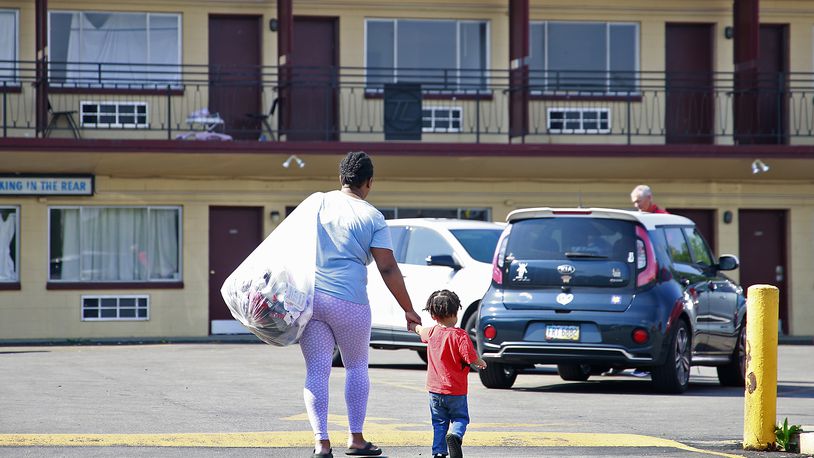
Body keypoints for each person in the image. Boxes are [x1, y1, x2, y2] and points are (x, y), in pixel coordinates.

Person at [300, 151, 423, 458]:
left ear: (341, 178)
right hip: (349, 301)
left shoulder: (316, 203)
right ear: (369, 182)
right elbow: (387, 267)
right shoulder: (372, 217)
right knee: (356, 367)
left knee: (317, 370)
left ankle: (321, 442)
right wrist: (408, 309)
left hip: (312, 300)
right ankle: (356, 439)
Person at [409, 290, 487, 458]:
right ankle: (456, 435)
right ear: (455, 312)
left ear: (432, 314)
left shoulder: (431, 332)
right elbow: (470, 357)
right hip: (455, 390)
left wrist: (413, 325)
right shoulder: (460, 335)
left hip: (434, 391)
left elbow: (419, 330)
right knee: (460, 418)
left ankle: (438, 452)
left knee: (439, 423)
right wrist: (481, 362)